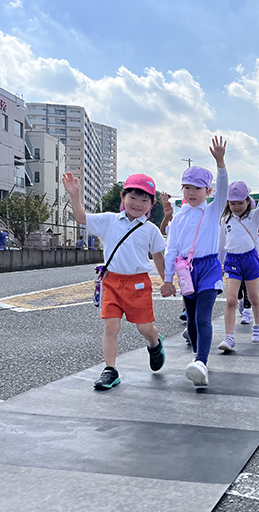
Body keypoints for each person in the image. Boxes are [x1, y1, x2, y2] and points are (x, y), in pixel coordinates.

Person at [62, 171, 167, 391]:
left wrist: (167, 281)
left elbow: (158, 257)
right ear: (123, 197)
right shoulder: (109, 220)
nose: (138, 203)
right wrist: (74, 195)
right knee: (111, 325)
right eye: (133, 197)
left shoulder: (151, 230)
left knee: (145, 328)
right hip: (111, 281)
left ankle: (155, 343)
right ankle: (110, 370)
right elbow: (81, 218)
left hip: (138, 284)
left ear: (152, 203)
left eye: (144, 199)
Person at [161, 136, 228, 389]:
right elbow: (172, 249)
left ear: (207, 192)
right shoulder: (178, 218)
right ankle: (197, 362)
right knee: (190, 322)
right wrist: (168, 279)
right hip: (186, 271)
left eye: (197, 188)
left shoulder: (212, 211)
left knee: (202, 317)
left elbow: (223, 189)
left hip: (209, 268)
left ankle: (201, 362)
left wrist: (220, 164)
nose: (191, 192)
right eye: (187, 187)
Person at [217, 168, 259, 352]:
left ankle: (258, 326)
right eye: (233, 203)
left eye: (240, 203)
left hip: (250, 259)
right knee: (231, 300)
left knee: (254, 297)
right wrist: (219, 265)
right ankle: (229, 336)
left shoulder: (254, 215)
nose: (237, 206)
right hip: (232, 260)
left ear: (247, 201)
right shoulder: (225, 220)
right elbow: (221, 245)